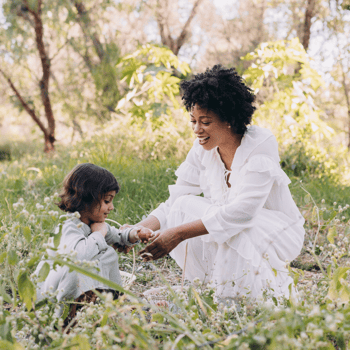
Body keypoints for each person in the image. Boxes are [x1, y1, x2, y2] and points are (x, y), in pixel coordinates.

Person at [135, 65, 305, 300]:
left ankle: (238, 300)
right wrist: (138, 229)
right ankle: (206, 289)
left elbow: (243, 213)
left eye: (205, 121)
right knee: (185, 206)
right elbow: (175, 201)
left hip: (275, 232)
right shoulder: (202, 148)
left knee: (233, 228)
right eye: (193, 120)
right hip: (238, 227)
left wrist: (178, 234)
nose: (197, 129)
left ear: (228, 119)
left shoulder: (260, 143)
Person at [34, 163, 153, 320]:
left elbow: (119, 235)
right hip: (56, 295)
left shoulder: (95, 224)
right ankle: (68, 317)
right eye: (106, 201)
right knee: (86, 264)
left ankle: (106, 303)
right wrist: (98, 234)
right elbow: (78, 256)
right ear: (86, 199)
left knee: (107, 254)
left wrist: (136, 234)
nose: (111, 207)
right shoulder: (68, 227)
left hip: (80, 291)